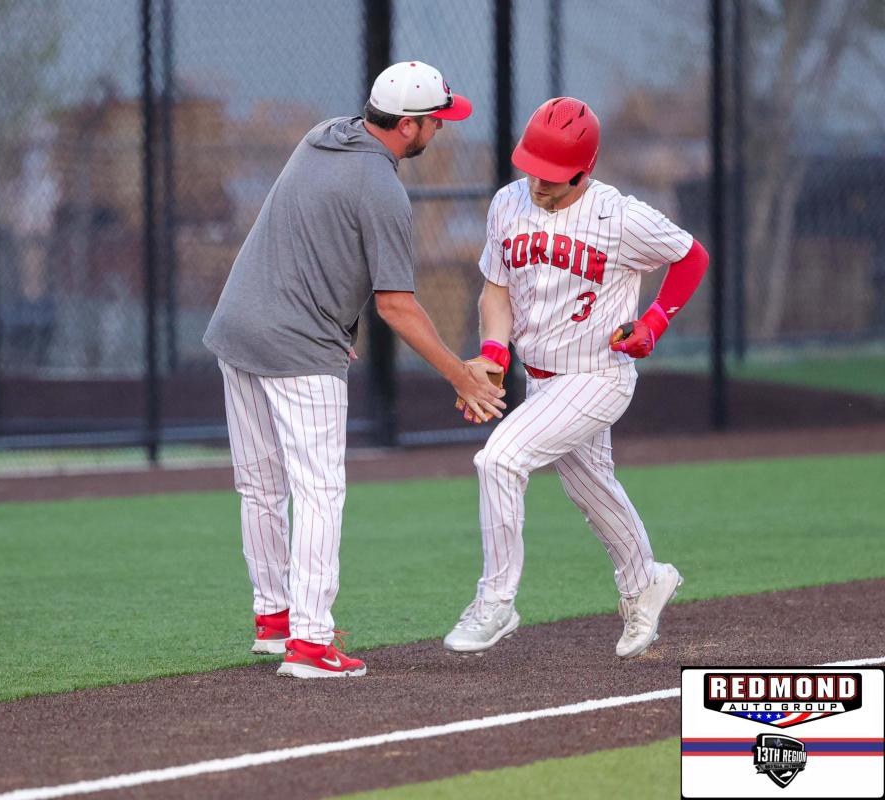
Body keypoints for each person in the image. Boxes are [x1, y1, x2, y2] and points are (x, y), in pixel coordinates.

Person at [204, 61, 505, 679]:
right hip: (298, 346)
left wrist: (337, 322)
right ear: (407, 126)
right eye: (436, 120)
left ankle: (275, 620)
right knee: (319, 491)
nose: (441, 129)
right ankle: (311, 644)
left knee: (260, 486)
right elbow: (396, 305)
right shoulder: (383, 189)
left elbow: (311, 237)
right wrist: (459, 374)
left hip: (237, 327)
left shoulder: (321, 136)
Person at [444, 97, 710, 659]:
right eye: (532, 169)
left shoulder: (621, 217)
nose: (538, 182)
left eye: (552, 175)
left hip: (597, 375)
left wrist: (655, 322)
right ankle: (645, 581)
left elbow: (691, 257)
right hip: (541, 378)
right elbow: (496, 289)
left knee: (499, 460)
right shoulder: (508, 202)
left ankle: (496, 602)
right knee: (591, 489)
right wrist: (493, 351)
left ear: (584, 170)